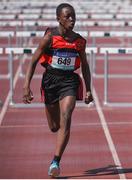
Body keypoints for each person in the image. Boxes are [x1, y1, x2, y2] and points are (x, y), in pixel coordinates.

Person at [23, 3, 93, 178]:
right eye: (68, 16)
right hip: (50, 81)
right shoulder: (49, 38)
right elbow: (32, 62)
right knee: (54, 126)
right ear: (59, 19)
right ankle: (57, 134)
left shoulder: (79, 41)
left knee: (66, 116)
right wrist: (26, 86)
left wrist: (89, 89)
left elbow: (84, 66)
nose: (72, 19)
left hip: (69, 80)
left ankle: (55, 161)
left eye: (73, 16)